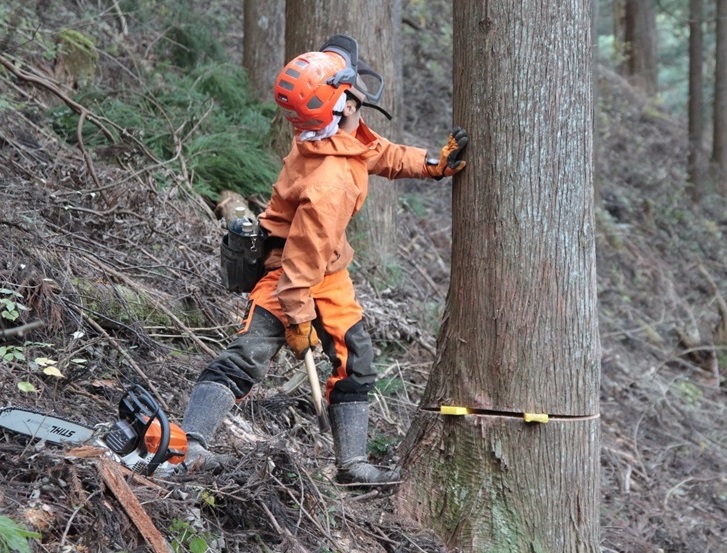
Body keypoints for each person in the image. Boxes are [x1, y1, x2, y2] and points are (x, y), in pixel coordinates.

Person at [179, 34, 468, 484]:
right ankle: (189, 444)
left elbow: (379, 152)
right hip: (287, 273)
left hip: (327, 271)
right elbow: (302, 257)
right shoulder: (330, 181)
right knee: (248, 357)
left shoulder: (330, 137)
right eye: (352, 87)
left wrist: (434, 164)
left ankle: (352, 464)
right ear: (346, 104)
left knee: (356, 360)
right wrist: (297, 317)